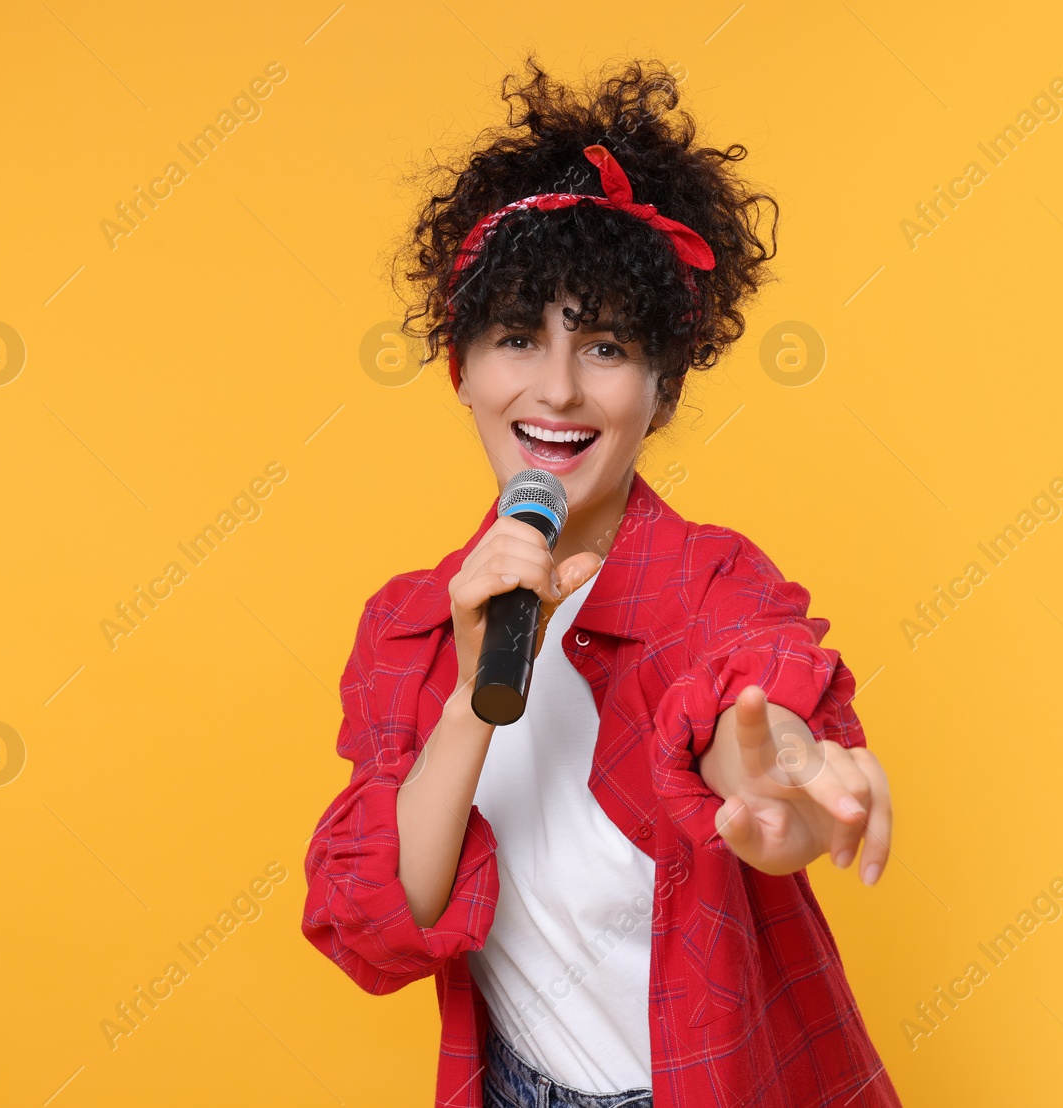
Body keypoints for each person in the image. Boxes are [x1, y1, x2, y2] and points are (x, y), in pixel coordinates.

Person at [302, 55, 902, 1108]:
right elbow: (379, 924)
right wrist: (471, 697)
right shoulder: (410, 623)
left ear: (661, 390)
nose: (558, 387)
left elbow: (745, 694)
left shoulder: (708, 579)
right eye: (519, 338)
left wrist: (783, 773)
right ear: (464, 371)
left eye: (608, 346)